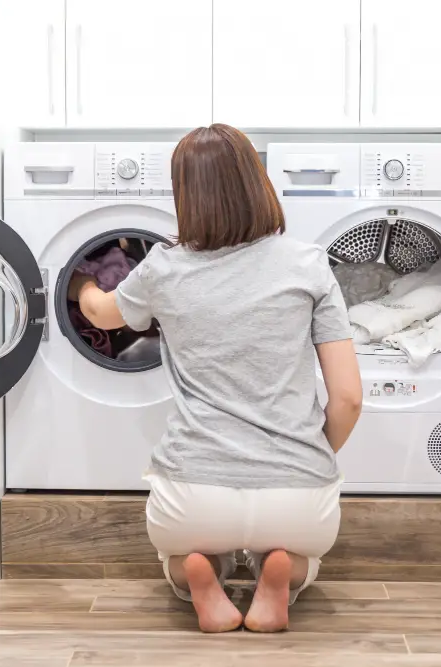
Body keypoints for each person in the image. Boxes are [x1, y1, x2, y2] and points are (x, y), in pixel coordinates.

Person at [68, 124, 362, 633]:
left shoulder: (163, 268)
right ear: (258, 183)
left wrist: (80, 279)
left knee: (183, 555)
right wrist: (307, 457)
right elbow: (349, 398)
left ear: (186, 197)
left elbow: (102, 314)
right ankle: (281, 577)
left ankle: (198, 577)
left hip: (192, 494)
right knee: (298, 554)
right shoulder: (308, 264)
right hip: (297, 498)